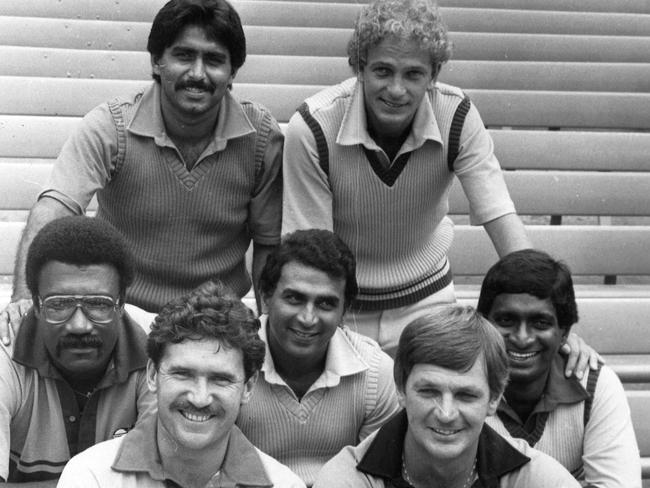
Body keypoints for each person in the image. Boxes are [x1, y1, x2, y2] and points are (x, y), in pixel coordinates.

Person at [1, 0, 282, 343]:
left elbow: (269, 247)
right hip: (122, 318)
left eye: (214, 60)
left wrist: (269, 329)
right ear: (156, 61)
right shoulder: (111, 128)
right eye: (183, 55)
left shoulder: (261, 137)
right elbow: (54, 209)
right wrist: (23, 300)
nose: (197, 73)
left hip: (216, 320)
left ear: (233, 71)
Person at [281, 0, 530, 353]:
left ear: (434, 75)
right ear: (359, 68)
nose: (396, 90)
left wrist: (551, 306)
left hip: (428, 298)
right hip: (343, 304)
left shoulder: (457, 114)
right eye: (382, 71)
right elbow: (312, 252)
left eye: (413, 74)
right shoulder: (312, 126)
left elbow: (500, 215)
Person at [57, 281, 305, 488]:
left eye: (220, 379)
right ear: (153, 375)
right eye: (183, 374)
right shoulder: (91, 477)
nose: (199, 398)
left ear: (248, 387)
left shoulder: (285, 485)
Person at [314, 305, 581, 488]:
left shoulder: (537, 479)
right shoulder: (348, 478)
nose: (445, 413)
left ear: (494, 398)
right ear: (400, 388)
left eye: (466, 395)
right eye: (429, 391)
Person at [237, 229, 400, 486]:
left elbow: (377, 476)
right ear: (266, 296)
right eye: (294, 298)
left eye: (325, 304)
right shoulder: (232, 362)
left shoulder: (375, 373)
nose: (307, 318)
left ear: (344, 310)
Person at [0, 216, 155, 486]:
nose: (79, 325)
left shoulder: (157, 347)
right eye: (59, 304)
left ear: (121, 305)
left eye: (98, 303)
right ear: (35, 306)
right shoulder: (6, 352)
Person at [477, 249, 641, 487]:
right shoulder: (460, 382)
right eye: (506, 320)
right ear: (483, 323)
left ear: (564, 332)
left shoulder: (592, 383)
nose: (522, 338)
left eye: (540, 323)